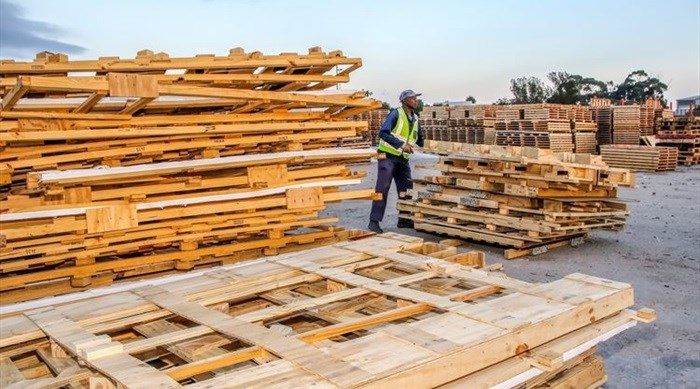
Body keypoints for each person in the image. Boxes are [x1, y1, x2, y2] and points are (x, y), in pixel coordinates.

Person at [368, 89, 425, 233]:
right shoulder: (395, 113)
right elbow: (383, 133)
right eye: (412, 98)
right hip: (387, 156)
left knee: (407, 189)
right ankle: (374, 221)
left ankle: (404, 219)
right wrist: (401, 145)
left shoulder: (416, 118)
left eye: (415, 98)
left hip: (402, 159)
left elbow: (420, 139)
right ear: (404, 101)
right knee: (382, 188)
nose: (415, 100)